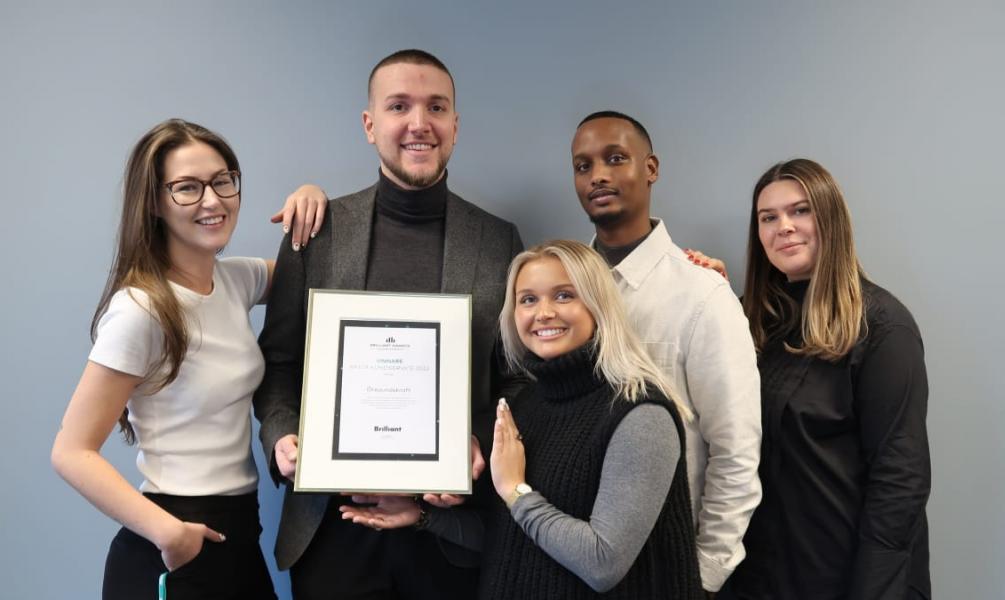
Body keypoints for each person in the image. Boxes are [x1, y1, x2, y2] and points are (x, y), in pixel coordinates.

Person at [253, 49, 524, 599]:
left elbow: (516, 380)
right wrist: (282, 434)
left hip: (450, 534)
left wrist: (480, 441)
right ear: (370, 124)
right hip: (332, 532)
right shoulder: (318, 229)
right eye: (399, 106)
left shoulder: (499, 240)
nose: (419, 124)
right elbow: (279, 365)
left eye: (436, 107)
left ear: (455, 124)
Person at [50, 118, 326, 599]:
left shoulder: (238, 281)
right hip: (175, 541)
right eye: (187, 188)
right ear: (154, 202)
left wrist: (311, 196)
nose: (213, 200)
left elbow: (323, 282)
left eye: (223, 181)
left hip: (242, 536)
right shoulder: (142, 309)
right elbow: (70, 452)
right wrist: (170, 534)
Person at [569, 111, 762, 597]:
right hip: (570, 560)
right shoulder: (560, 291)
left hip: (666, 570)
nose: (599, 176)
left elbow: (736, 450)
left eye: (616, 159)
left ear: (650, 168)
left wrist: (704, 576)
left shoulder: (702, 297)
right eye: (583, 165)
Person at [725, 158, 931, 599]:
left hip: (846, 576)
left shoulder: (882, 326)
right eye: (768, 217)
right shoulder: (747, 320)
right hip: (758, 575)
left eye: (800, 210)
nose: (784, 226)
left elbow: (900, 476)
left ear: (830, 218)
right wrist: (704, 298)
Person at [481, 239, 701, 599]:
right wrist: (426, 517)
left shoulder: (641, 413)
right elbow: (507, 534)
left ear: (598, 306)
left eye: (564, 296)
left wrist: (516, 492)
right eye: (528, 299)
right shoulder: (527, 401)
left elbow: (602, 562)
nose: (544, 312)